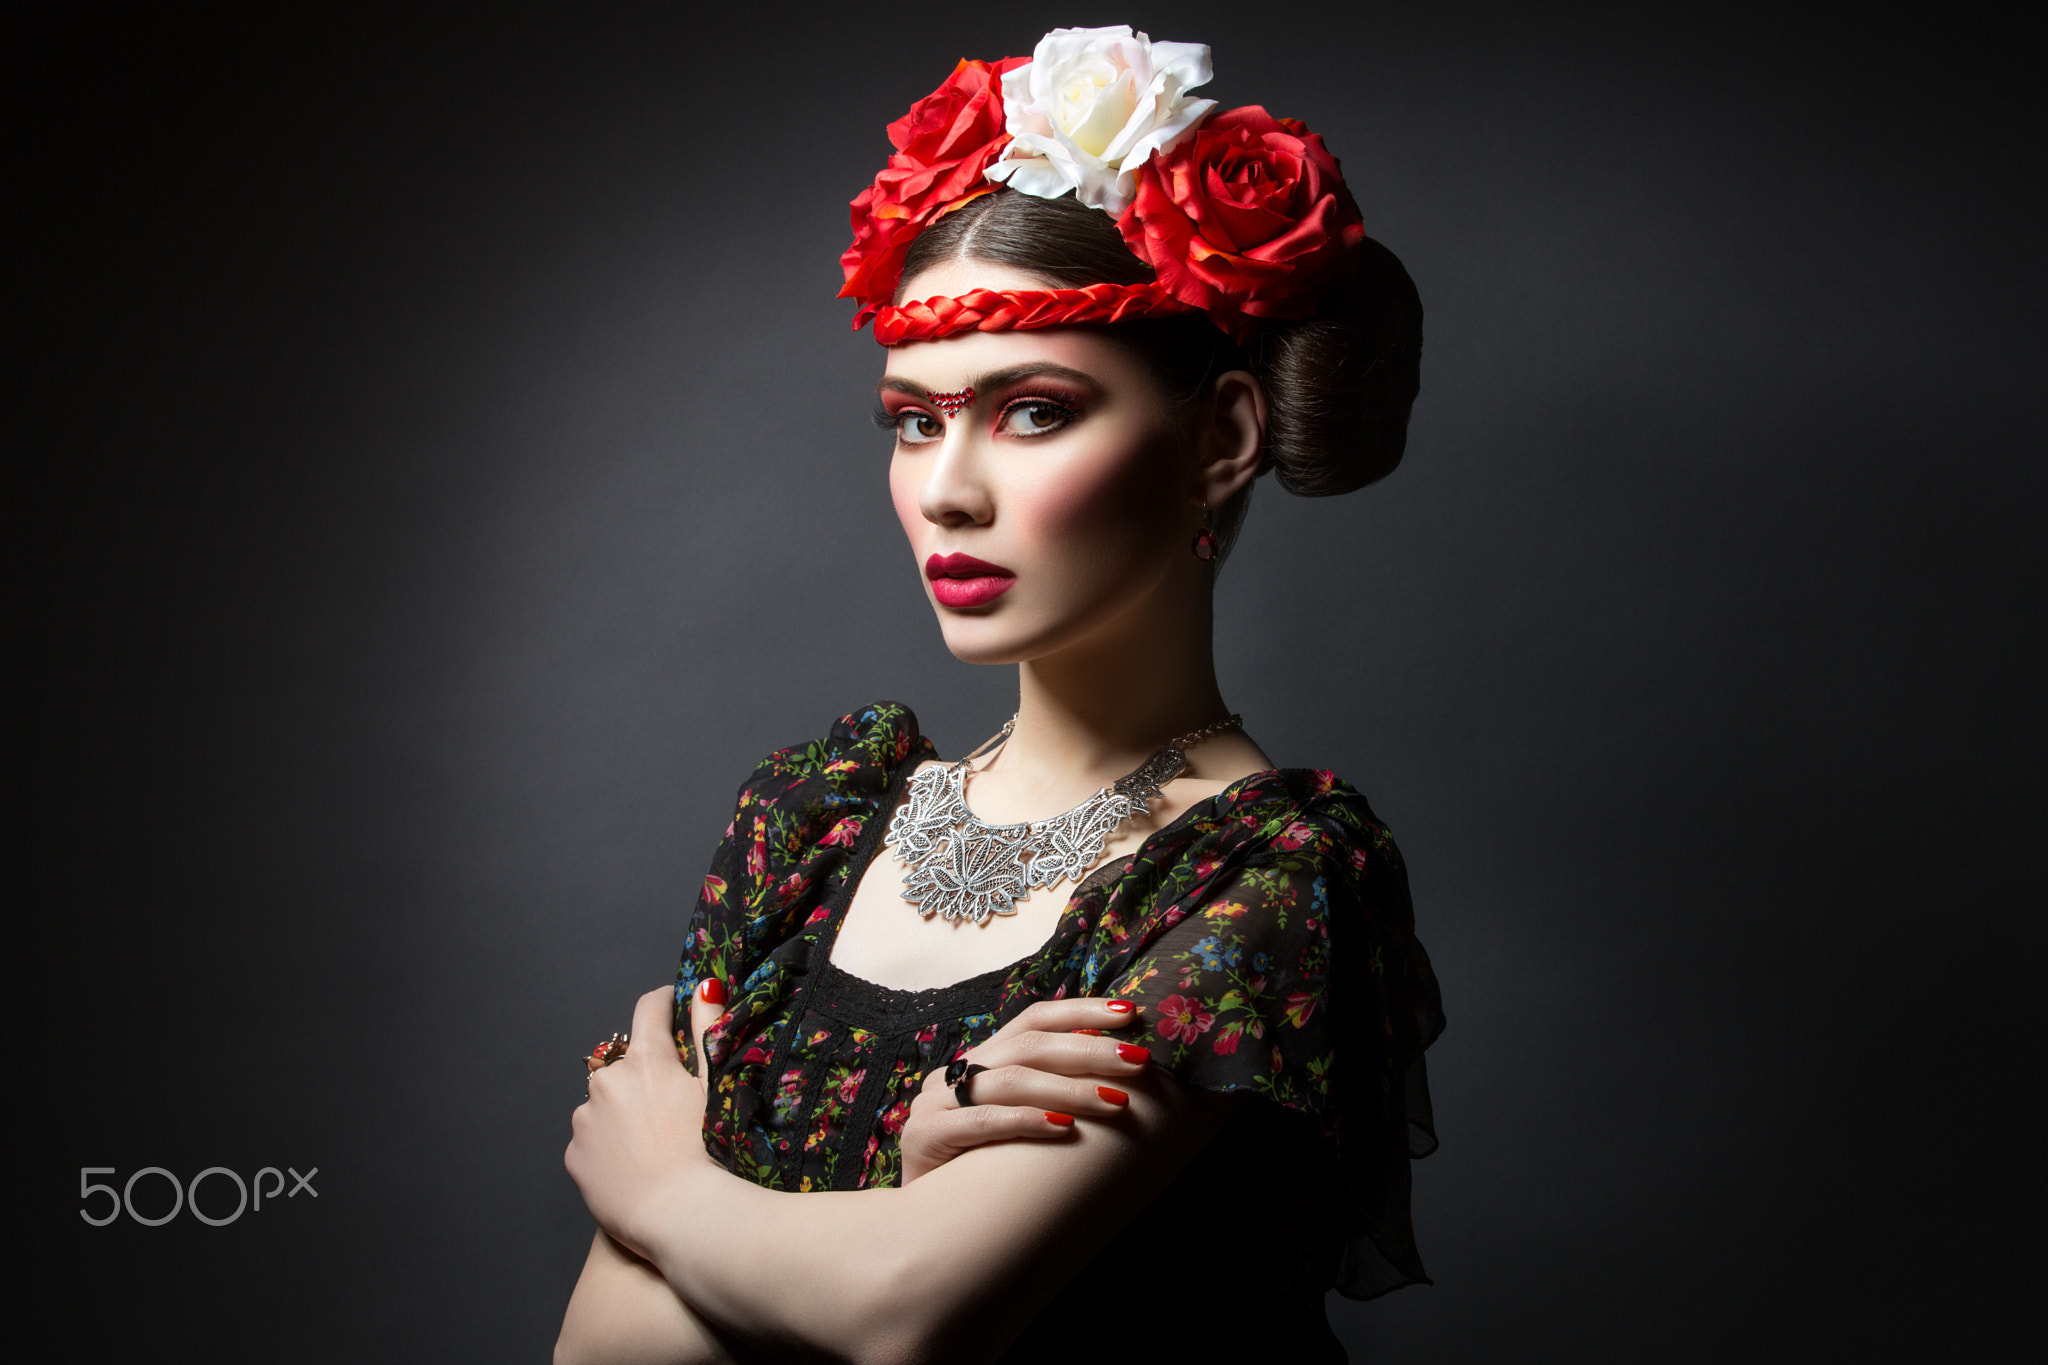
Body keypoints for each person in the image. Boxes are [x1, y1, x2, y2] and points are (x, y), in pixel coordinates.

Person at [557, 25, 1443, 1364]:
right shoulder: (812, 825)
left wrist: (665, 1189)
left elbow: (903, 1312)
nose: (949, 491)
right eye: (915, 419)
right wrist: (892, 1213)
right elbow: (604, 1349)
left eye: (1032, 410)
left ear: (1223, 437)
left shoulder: (1256, 882)